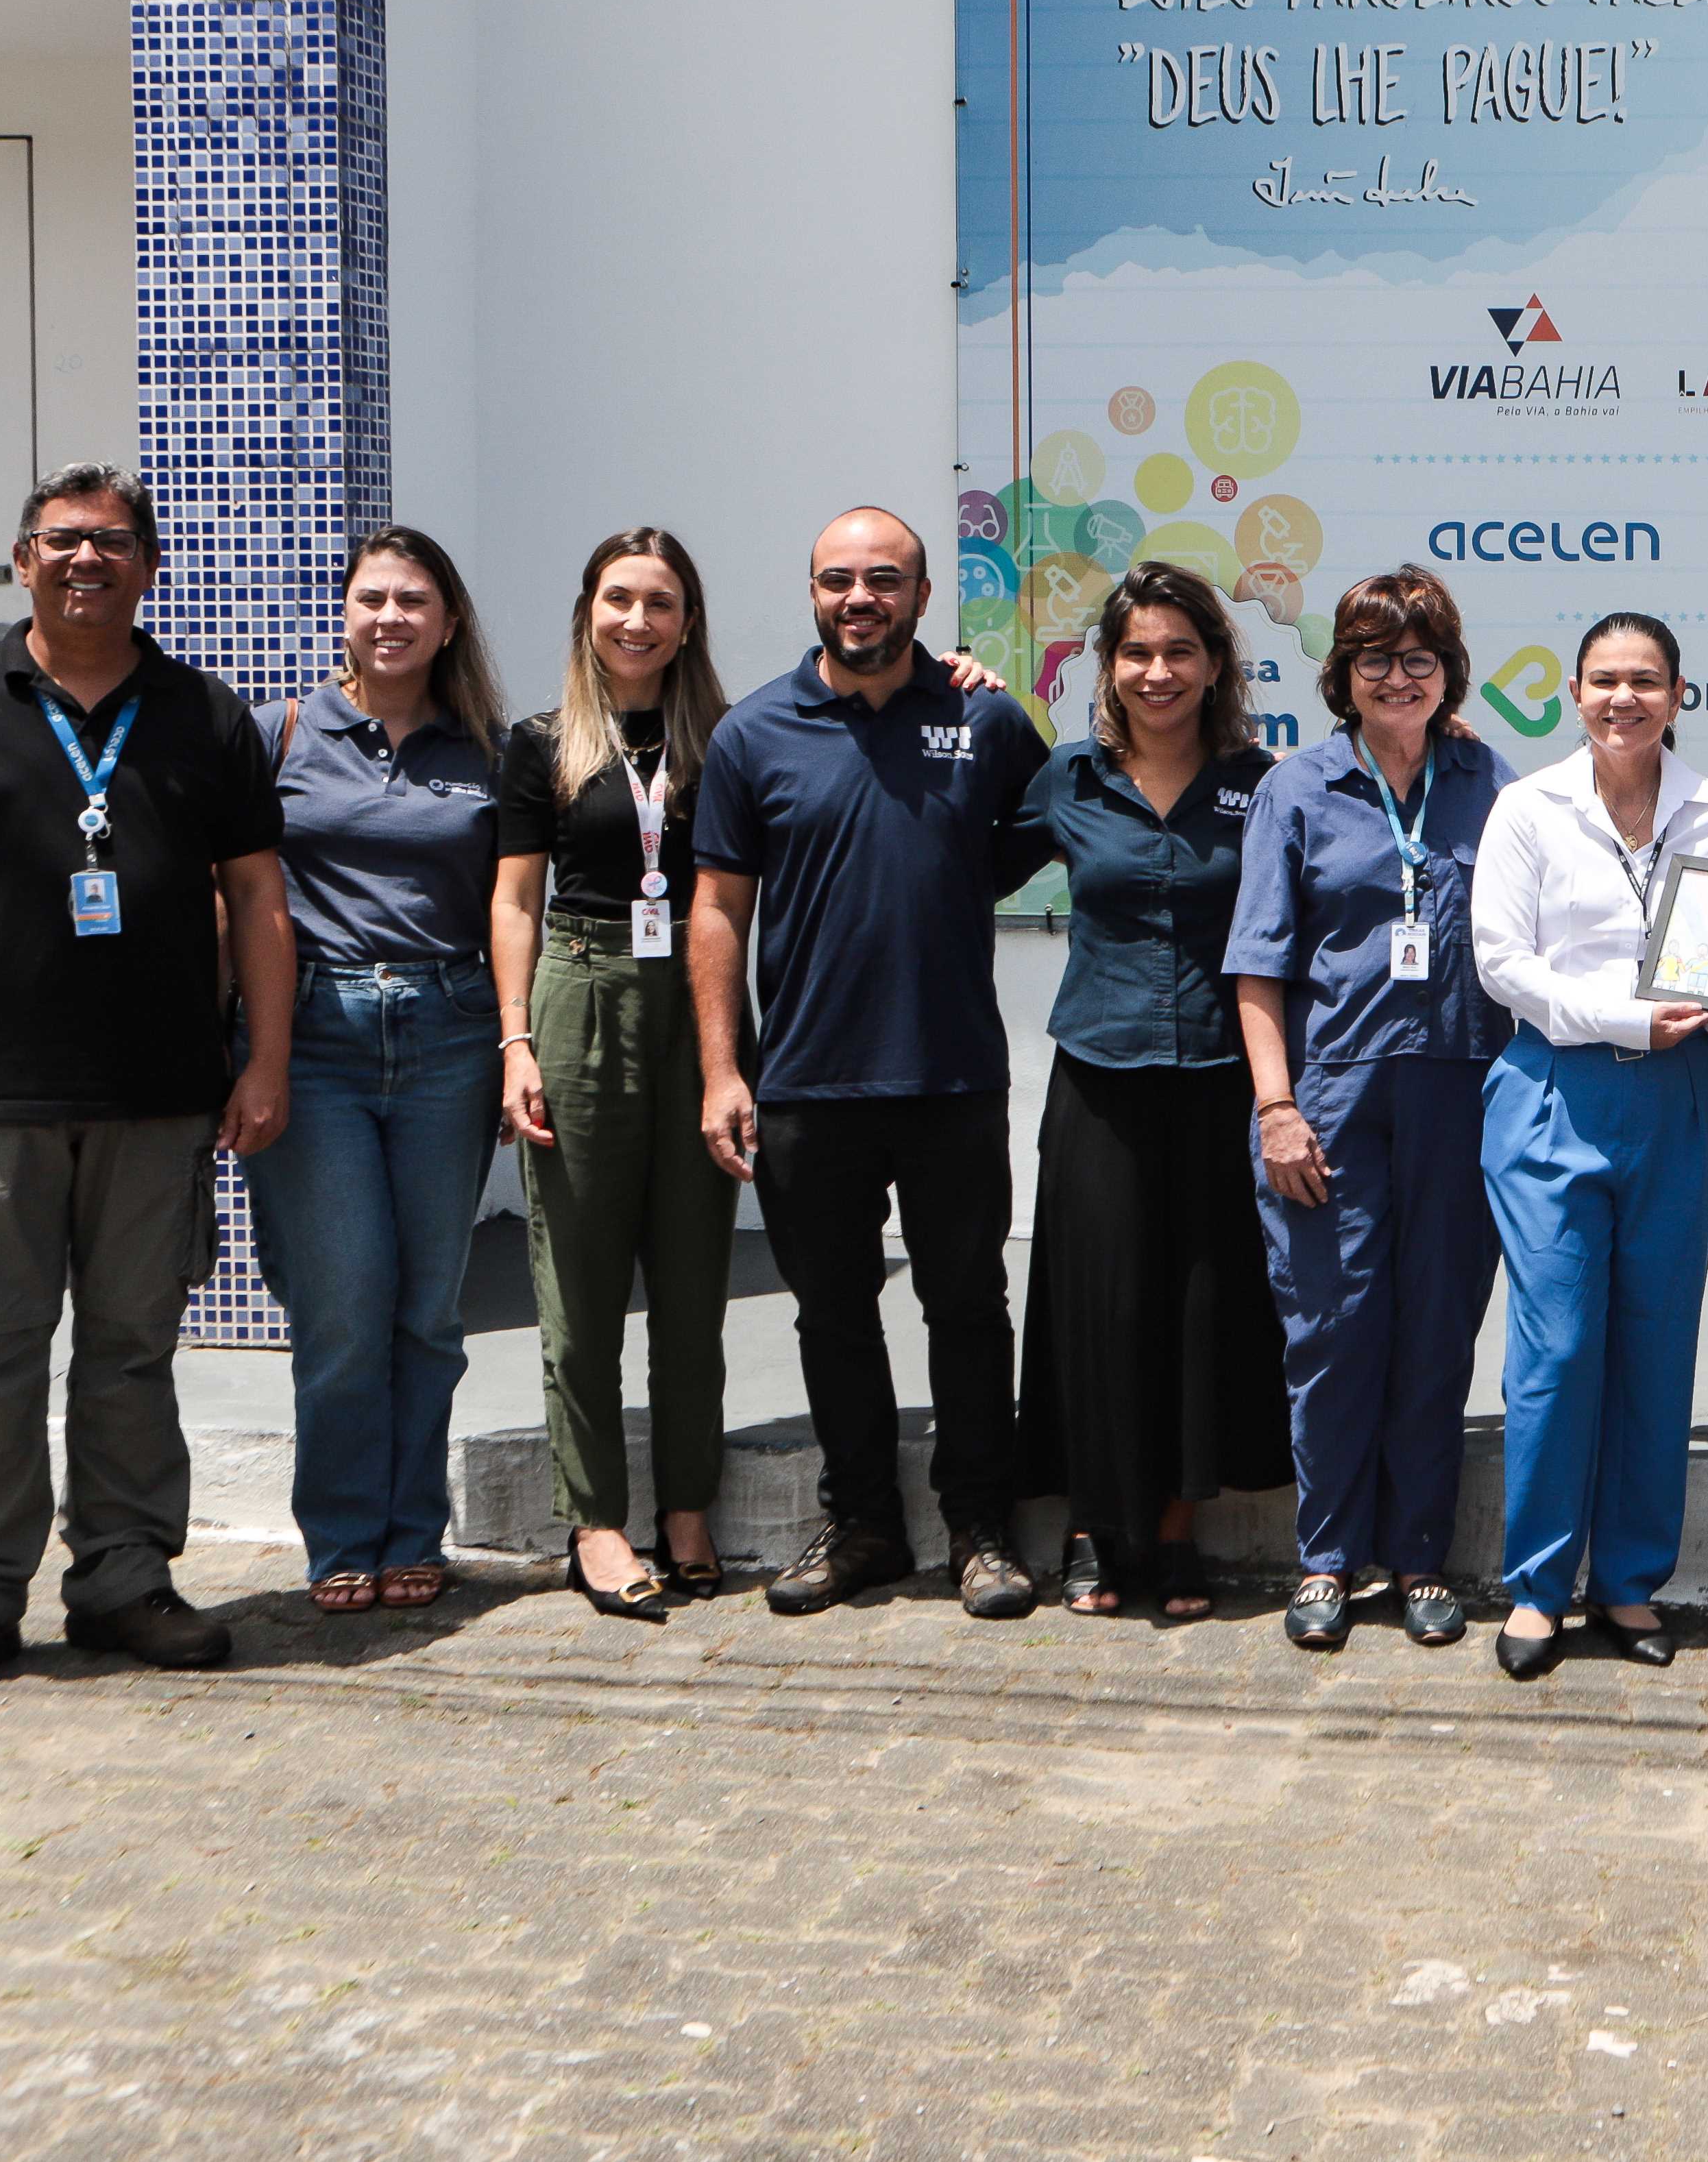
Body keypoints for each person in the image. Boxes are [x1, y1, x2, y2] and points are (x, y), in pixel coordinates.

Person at [0, 464, 291, 1703]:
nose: (86, 560)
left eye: (112, 542)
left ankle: (123, 1579)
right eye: (63, 541)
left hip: (162, 1100)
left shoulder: (205, 714)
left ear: (150, 565)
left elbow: (258, 897)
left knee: (131, 1351)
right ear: (25, 556)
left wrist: (261, 1060)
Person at [692, 506, 1054, 1620]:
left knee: (968, 1305)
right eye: (840, 580)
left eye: (884, 580)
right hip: (806, 1084)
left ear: (922, 595)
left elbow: (1040, 833)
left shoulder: (987, 723)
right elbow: (716, 911)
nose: (862, 598)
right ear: (812, 595)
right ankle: (862, 1528)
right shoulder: (753, 734)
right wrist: (722, 1070)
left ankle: (979, 1532)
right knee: (833, 1316)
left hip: (950, 1077)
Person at [1472, 612, 1708, 1678]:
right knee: (1554, 1350)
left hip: (1682, 1098)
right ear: (1573, 691)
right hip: (1554, 1091)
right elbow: (1503, 963)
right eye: (1604, 681)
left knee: (1653, 1343)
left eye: (1645, 681)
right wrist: (1621, 1020)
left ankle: (1631, 1583)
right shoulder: (1527, 810)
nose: (1622, 700)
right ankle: (1540, 1588)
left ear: (1679, 697)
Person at [1227, 566, 1511, 1652]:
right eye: (1375, 660)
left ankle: (1420, 1558)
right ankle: (1328, 1558)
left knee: (1436, 1330)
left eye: (1419, 658)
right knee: (1334, 1330)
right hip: (1331, 1097)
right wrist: (1276, 1108)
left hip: (1460, 1090)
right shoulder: (1297, 789)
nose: (1398, 678)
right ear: (1343, 675)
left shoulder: (1491, 782)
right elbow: (1257, 968)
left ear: (1448, 672)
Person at [1005, 562, 1287, 1623]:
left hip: (1222, 1079)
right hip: (1101, 1078)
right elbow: (959, 858)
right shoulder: (1067, 779)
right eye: (1136, 653)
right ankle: (1092, 1529)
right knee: (1097, 1308)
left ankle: (1172, 1535)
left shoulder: (1262, 784)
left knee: (1196, 1312)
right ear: (1107, 668)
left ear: (1215, 664)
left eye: (1179, 651)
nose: (1157, 672)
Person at [241, 526, 509, 1615]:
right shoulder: (280, 733)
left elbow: (512, 905)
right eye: (371, 598)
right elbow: (234, 892)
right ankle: (342, 1533)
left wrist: (511, 1042)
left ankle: (414, 1532)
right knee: (343, 1305)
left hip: (451, 1032)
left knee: (428, 1311)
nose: (390, 617)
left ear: (448, 622)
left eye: (413, 600)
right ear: (342, 613)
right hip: (317, 1038)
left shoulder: (490, 749)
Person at [494, 529, 738, 1621]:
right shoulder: (541, 743)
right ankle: (595, 1522)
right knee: (580, 1285)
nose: (637, 622)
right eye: (619, 600)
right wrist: (516, 1043)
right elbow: (511, 902)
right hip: (579, 992)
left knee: (691, 1280)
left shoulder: (727, 743)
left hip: (698, 1003)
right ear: (587, 612)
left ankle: (687, 1509)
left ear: (689, 623)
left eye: (661, 603)